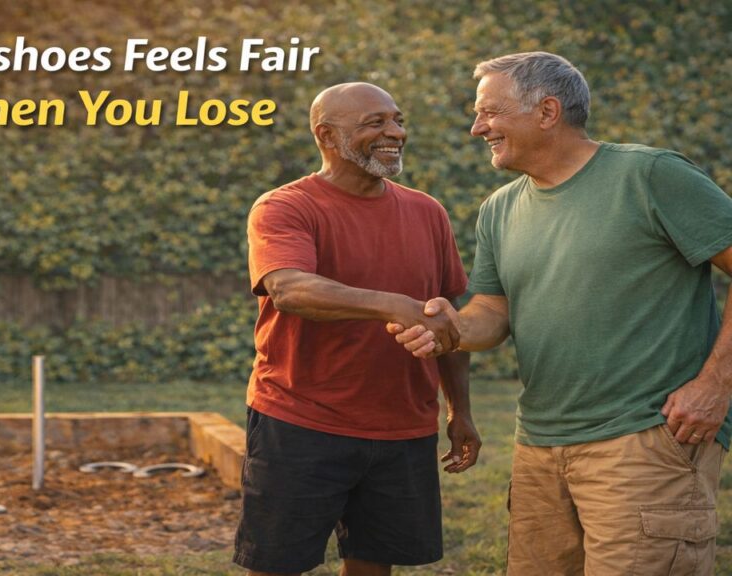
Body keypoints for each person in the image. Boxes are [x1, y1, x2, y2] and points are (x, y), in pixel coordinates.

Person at [390, 52, 732, 575]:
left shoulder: (650, 175)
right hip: (539, 448)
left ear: (548, 111)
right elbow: (492, 311)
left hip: (645, 442)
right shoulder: (499, 208)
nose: (477, 126)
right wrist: (450, 329)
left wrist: (715, 384)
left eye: (490, 112)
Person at [233, 82, 481, 576]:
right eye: (375, 123)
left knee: (374, 565)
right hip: (301, 422)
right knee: (276, 564)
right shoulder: (285, 207)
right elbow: (289, 289)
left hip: (403, 426)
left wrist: (460, 412)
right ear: (327, 135)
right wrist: (393, 305)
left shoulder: (427, 211)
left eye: (397, 120)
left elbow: (445, 317)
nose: (395, 132)